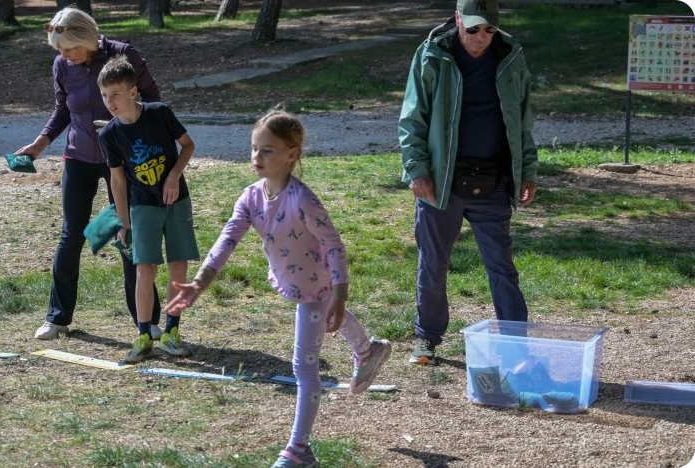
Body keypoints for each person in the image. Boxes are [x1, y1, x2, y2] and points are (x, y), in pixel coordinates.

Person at [165, 110, 392, 468]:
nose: (257, 157)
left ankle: (298, 450)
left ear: (292, 154)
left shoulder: (303, 199)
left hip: (316, 287)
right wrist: (200, 282)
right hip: (297, 282)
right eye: (254, 149)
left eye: (267, 150)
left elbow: (334, 246)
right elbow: (227, 240)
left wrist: (340, 292)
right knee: (327, 318)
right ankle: (367, 350)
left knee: (304, 369)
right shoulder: (251, 197)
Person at [15, 7, 185, 356]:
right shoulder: (63, 65)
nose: (64, 56)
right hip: (78, 157)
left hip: (124, 160)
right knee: (71, 234)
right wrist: (39, 144)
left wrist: (129, 133)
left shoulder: (124, 55)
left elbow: (152, 102)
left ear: (86, 38)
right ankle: (58, 317)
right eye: (59, 51)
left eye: (68, 49)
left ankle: (147, 321)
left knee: (127, 233)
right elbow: (63, 109)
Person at [399, 0, 538, 366]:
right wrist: (416, 169)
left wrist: (528, 171)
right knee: (433, 262)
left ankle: (514, 344)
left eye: (489, 30)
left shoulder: (511, 55)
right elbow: (412, 118)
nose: (482, 37)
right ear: (458, 19)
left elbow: (523, 120)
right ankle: (426, 337)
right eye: (474, 28)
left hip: (493, 177)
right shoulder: (433, 54)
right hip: (440, 181)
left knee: (502, 265)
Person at [96, 56, 199, 363]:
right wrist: (123, 221)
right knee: (146, 269)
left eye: (115, 94)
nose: (109, 102)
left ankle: (171, 332)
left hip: (175, 201)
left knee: (178, 267)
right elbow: (117, 179)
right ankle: (143, 335)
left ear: (133, 91)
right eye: (104, 95)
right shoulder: (109, 134)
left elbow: (188, 145)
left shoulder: (160, 113)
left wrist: (173, 176)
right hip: (142, 207)